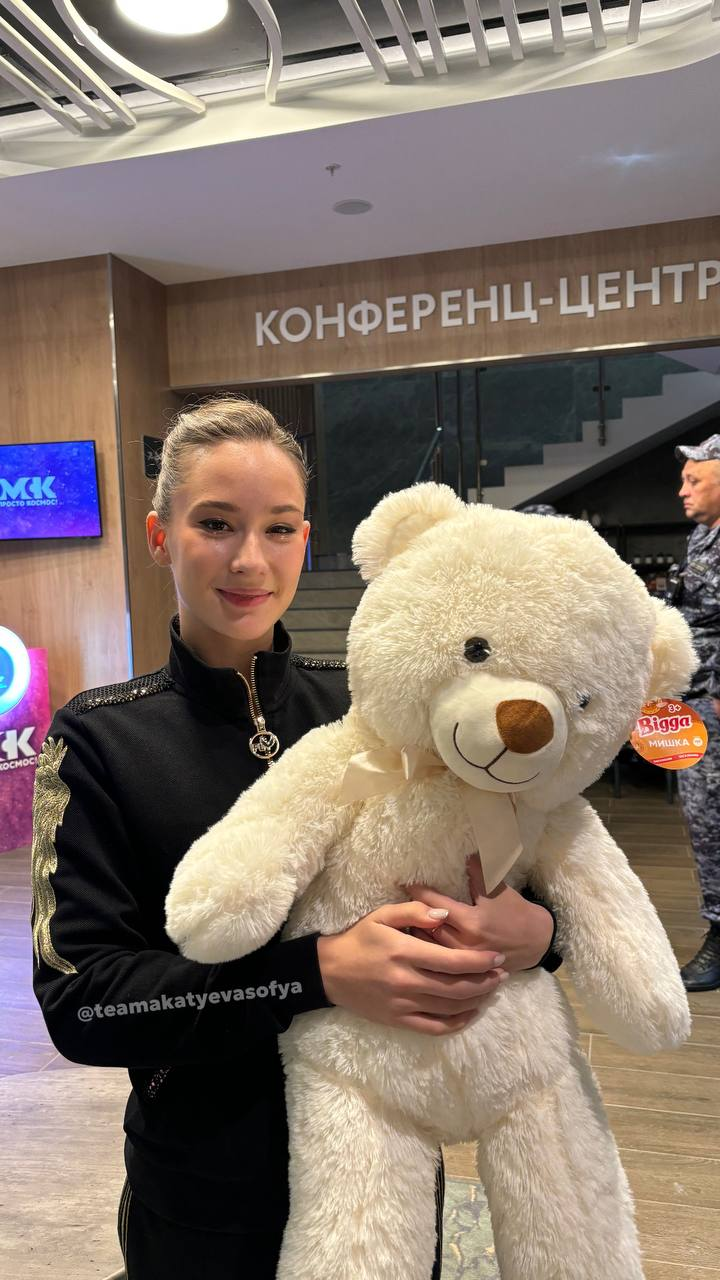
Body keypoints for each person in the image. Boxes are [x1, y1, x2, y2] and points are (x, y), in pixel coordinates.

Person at [31, 397, 561, 1279]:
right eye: (215, 524)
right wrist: (315, 973)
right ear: (160, 537)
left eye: (278, 528)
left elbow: (520, 861)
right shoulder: (100, 739)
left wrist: (541, 931)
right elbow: (83, 1004)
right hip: (203, 1193)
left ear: (305, 540)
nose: (250, 559)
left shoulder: (376, 708)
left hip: (390, 1177)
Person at [669, 433, 720, 991]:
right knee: (704, 818)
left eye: (693, 480)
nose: (683, 490)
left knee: (714, 820)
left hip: (715, 701)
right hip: (696, 701)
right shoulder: (702, 537)